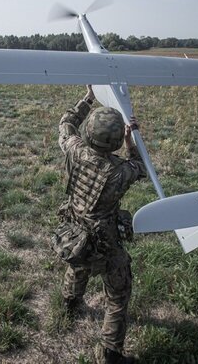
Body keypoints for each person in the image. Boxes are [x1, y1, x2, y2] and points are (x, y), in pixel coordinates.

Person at [57, 85, 146, 364]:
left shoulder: (74, 150)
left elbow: (66, 123)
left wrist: (88, 97)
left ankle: (70, 303)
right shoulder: (120, 172)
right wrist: (132, 142)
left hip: (74, 227)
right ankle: (111, 353)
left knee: (77, 262)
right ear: (118, 140)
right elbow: (140, 166)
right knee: (119, 292)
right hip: (104, 239)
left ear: (90, 133)